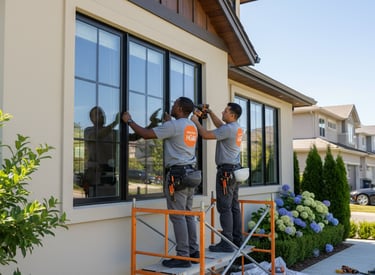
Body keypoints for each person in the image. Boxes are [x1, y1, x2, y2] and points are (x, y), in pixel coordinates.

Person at [122, 97, 200, 268]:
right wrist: (168, 124)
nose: (172, 106)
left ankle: (183, 256)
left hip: (177, 176)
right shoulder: (191, 126)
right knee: (187, 214)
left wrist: (129, 121)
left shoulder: (173, 126)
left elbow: (146, 134)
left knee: (178, 216)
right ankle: (193, 251)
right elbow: (177, 135)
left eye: (174, 104)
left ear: (179, 108)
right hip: (190, 174)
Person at [191, 102, 243, 252]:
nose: (223, 112)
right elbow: (221, 125)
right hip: (234, 172)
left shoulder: (228, 129)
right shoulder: (236, 127)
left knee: (224, 207)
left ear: (232, 115)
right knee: (234, 206)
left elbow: (206, 135)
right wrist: (211, 111)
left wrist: (195, 121)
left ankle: (227, 242)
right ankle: (236, 240)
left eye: (225, 111)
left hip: (226, 173)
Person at [83, 106, 119, 197]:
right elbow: (98, 136)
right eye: (98, 114)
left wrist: (152, 125)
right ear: (92, 119)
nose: (102, 115)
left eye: (102, 113)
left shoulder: (113, 133)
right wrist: (115, 122)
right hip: (95, 178)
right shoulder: (88, 131)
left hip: (110, 176)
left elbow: (134, 136)